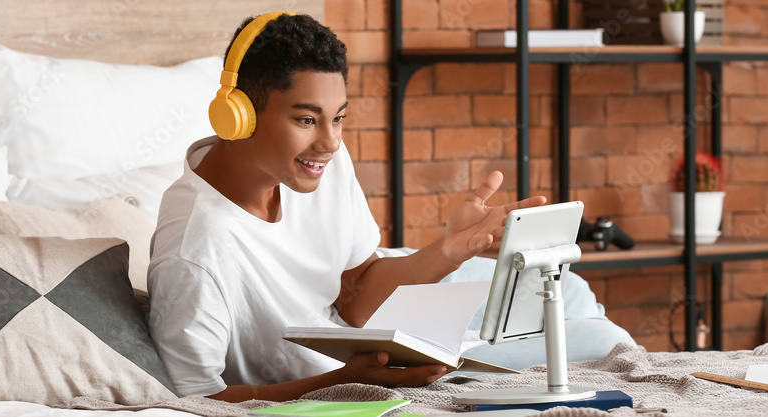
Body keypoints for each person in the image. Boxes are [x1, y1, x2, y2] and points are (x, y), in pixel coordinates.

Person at [147, 12, 546, 403]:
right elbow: (199, 398)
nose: (331, 142)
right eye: (307, 119)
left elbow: (354, 296)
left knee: (565, 296)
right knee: (575, 338)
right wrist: (341, 383)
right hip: (342, 370)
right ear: (239, 117)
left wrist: (446, 252)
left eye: (338, 118)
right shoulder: (196, 247)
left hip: (366, 337)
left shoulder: (319, 164)